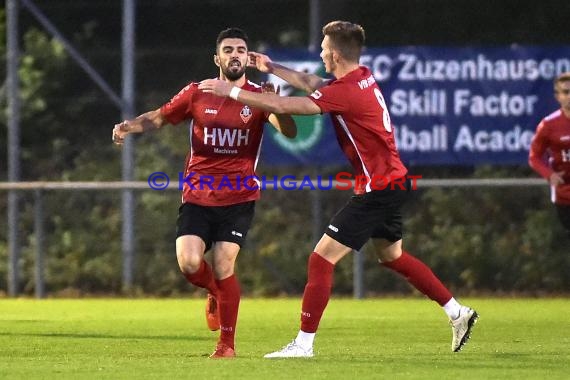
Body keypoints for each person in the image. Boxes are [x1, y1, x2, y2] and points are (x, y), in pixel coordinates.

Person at [199, 20, 478, 358]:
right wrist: (271, 67)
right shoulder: (360, 78)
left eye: (322, 48)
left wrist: (229, 91)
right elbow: (311, 82)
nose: (319, 53)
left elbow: (286, 107)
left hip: (379, 188)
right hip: (392, 180)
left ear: (332, 53)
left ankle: (303, 345)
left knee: (320, 260)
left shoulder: (345, 92)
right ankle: (457, 312)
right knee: (392, 256)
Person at [112, 27, 296, 359]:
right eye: (229, 49)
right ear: (218, 59)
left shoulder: (258, 96)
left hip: (238, 197)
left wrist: (277, 104)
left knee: (225, 264)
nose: (236, 54)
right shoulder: (198, 93)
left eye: (241, 49)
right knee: (189, 262)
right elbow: (159, 117)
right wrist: (130, 126)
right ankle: (214, 291)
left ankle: (226, 346)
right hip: (198, 195)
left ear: (248, 57)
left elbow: (290, 132)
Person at [529, 72, 570, 237]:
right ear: (557, 96)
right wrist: (549, 174)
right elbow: (534, 156)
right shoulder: (548, 125)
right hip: (565, 196)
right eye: (566, 92)